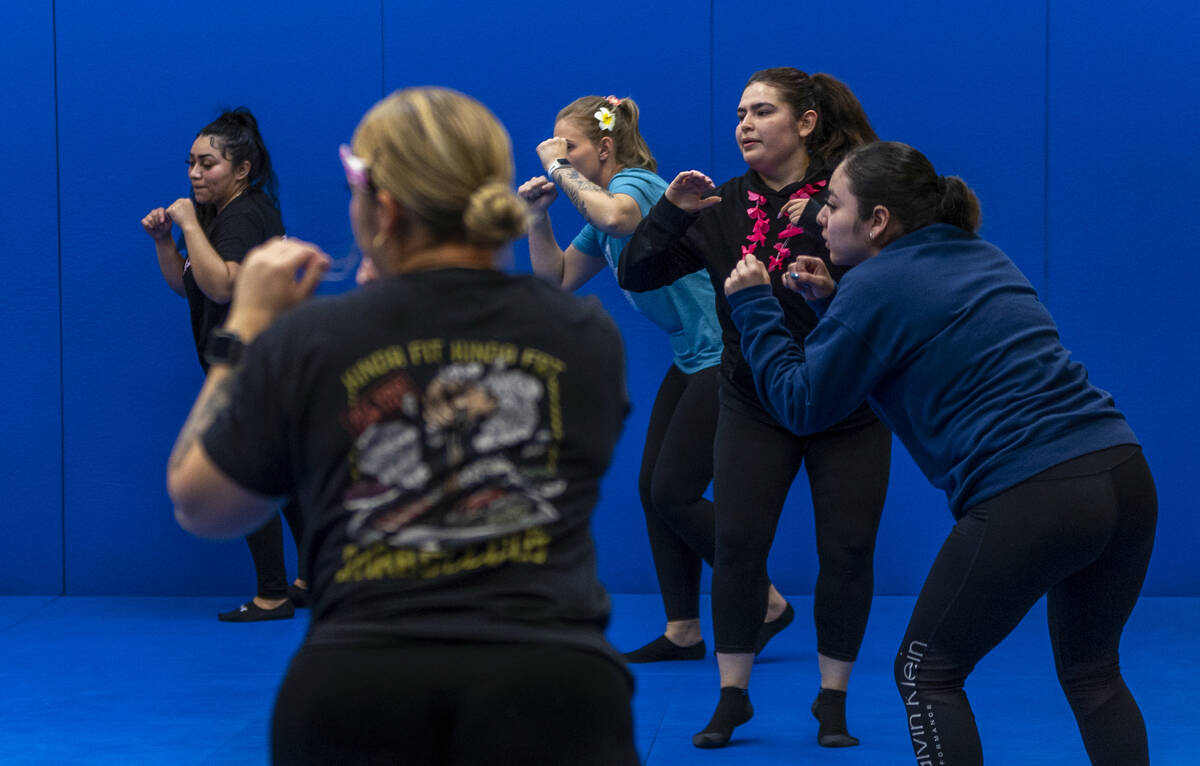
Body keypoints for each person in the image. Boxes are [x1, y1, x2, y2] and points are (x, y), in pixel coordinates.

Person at [166, 86, 640, 766]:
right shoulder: (584, 335)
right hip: (555, 692)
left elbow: (201, 502)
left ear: (381, 207)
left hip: (361, 688)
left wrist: (245, 330)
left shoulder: (315, 340)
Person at [724, 140, 1156, 766]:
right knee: (1093, 674)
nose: (820, 215)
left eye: (834, 204)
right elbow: (910, 347)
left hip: (1035, 492)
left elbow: (801, 405)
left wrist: (756, 308)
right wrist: (832, 310)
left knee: (927, 674)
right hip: (1122, 471)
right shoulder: (978, 253)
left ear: (876, 222)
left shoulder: (872, 287)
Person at [619, 67, 891, 748]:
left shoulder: (847, 192)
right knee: (738, 547)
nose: (743, 123)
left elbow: (899, 273)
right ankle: (731, 698)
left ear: (805, 123)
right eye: (739, 111)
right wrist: (672, 211)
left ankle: (833, 700)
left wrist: (840, 280)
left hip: (846, 401)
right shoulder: (720, 202)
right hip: (753, 400)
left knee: (848, 551)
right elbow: (637, 272)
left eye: (762, 110)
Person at [517, 94, 726, 662]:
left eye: (571, 147)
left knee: (672, 493)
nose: (559, 156)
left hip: (728, 356)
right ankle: (683, 630)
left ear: (605, 150)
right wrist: (537, 217)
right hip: (692, 357)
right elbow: (554, 280)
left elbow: (615, 216)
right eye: (557, 148)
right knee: (652, 491)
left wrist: (556, 170)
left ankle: (765, 600)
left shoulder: (637, 186)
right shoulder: (602, 209)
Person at [141, 108, 306, 622]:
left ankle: (272, 595)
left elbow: (225, 284)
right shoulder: (219, 215)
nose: (194, 173)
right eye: (190, 163)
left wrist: (187, 221)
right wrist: (167, 243)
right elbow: (190, 285)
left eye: (207, 164)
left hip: (252, 363)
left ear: (242, 168)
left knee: (241, 472)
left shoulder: (245, 215)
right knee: (282, 475)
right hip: (251, 361)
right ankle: (312, 578)